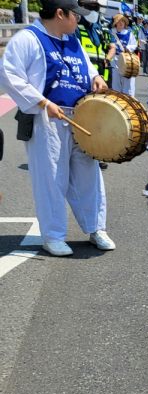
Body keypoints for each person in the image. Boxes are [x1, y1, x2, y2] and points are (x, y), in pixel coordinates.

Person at [0, 0, 114, 257]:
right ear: (60, 13)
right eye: (76, 15)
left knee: (89, 175)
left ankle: (96, 228)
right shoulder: (28, 39)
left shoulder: (71, 38)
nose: (80, 20)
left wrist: (95, 77)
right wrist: (42, 102)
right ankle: (52, 235)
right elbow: (9, 74)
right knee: (51, 178)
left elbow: (87, 66)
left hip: (81, 117)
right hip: (47, 119)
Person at [75, 0, 115, 88]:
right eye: (90, 7)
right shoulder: (75, 28)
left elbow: (112, 47)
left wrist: (108, 59)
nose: (93, 11)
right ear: (80, 7)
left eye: (96, 8)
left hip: (103, 78)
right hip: (84, 79)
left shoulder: (102, 29)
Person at [109, 13, 137, 94]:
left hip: (126, 60)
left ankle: (128, 99)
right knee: (116, 83)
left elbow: (134, 45)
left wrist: (127, 48)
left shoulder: (129, 34)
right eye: (119, 21)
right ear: (115, 23)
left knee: (128, 82)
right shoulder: (111, 33)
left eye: (123, 21)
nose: (121, 23)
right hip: (115, 60)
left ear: (125, 23)